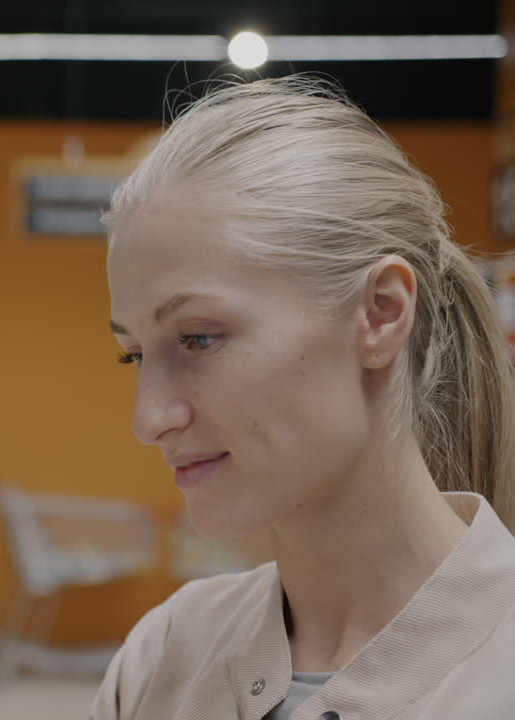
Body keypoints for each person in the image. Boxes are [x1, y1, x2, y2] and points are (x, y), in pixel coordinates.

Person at [94, 75, 515, 719]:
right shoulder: (161, 659)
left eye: (199, 338)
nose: (148, 420)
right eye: (134, 355)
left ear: (379, 314)